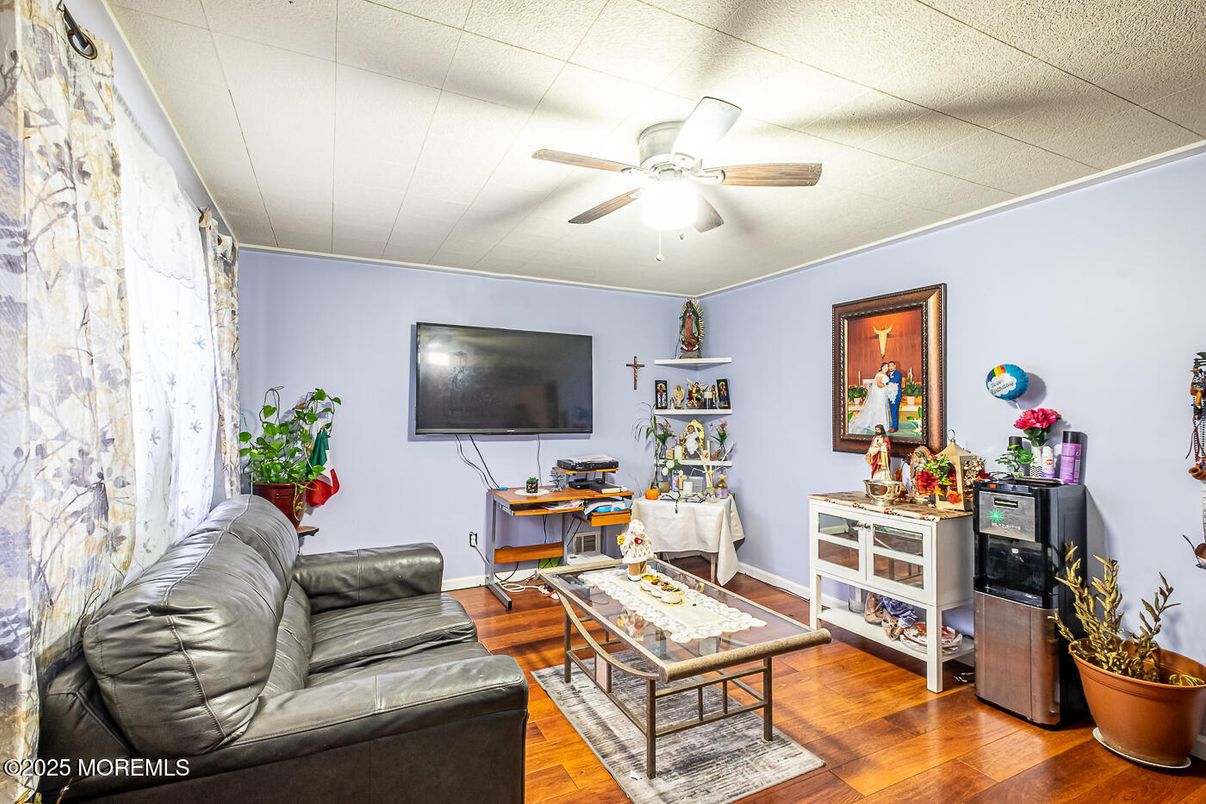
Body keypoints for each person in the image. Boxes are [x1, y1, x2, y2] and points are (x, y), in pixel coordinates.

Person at [848, 362, 892, 435]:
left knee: (883, 407)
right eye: (885, 367)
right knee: (880, 407)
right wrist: (888, 387)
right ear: (881, 367)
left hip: (883, 393)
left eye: (887, 367)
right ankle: (878, 424)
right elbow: (878, 384)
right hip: (880, 394)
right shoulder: (880, 374)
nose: (886, 368)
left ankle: (883, 425)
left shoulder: (885, 374)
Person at [886, 359, 903, 432]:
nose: (890, 367)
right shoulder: (888, 374)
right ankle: (893, 425)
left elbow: (894, 381)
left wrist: (884, 381)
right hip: (890, 395)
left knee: (894, 410)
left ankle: (895, 427)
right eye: (889, 366)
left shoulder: (898, 373)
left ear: (895, 366)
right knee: (892, 410)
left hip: (896, 395)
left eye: (892, 366)